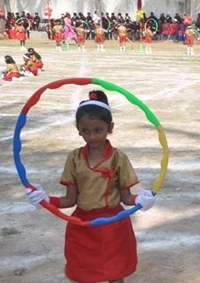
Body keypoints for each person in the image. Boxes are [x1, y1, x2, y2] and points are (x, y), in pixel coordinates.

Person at [24, 90, 158, 283]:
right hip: (83, 226)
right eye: (85, 131)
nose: (92, 136)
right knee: (84, 274)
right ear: (78, 129)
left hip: (114, 224)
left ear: (110, 128)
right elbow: (70, 199)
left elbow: (126, 197)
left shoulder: (118, 158)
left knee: (115, 272)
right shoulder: (74, 158)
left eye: (98, 130)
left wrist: (141, 200)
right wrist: (45, 200)